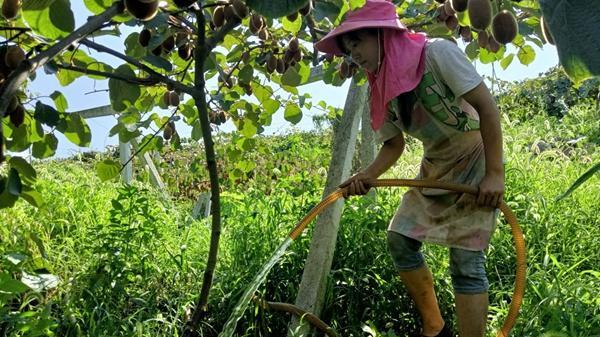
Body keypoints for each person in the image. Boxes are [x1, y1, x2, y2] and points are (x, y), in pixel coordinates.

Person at [314, 1, 505, 336]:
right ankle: (435, 328)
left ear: (382, 33)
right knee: (400, 239)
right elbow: (393, 145)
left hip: (475, 158)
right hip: (435, 165)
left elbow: (487, 109)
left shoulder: (437, 55)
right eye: (347, 49)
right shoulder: (381, 87)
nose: (353, 54)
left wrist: (494, 174)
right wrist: (367, 174)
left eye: (357, 42)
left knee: (466, 261)